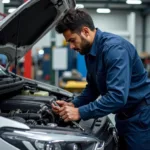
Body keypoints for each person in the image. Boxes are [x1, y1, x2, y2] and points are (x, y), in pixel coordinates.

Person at [52, 8, 150, 150]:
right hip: (124, 116)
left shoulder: (115, 50)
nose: (72, 46)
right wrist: (74, 104)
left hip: (140, 117)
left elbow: (117, 97)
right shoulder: (89, 51)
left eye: (72, 40)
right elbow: (93, 88)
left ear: (85, 31)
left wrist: (79, 112)